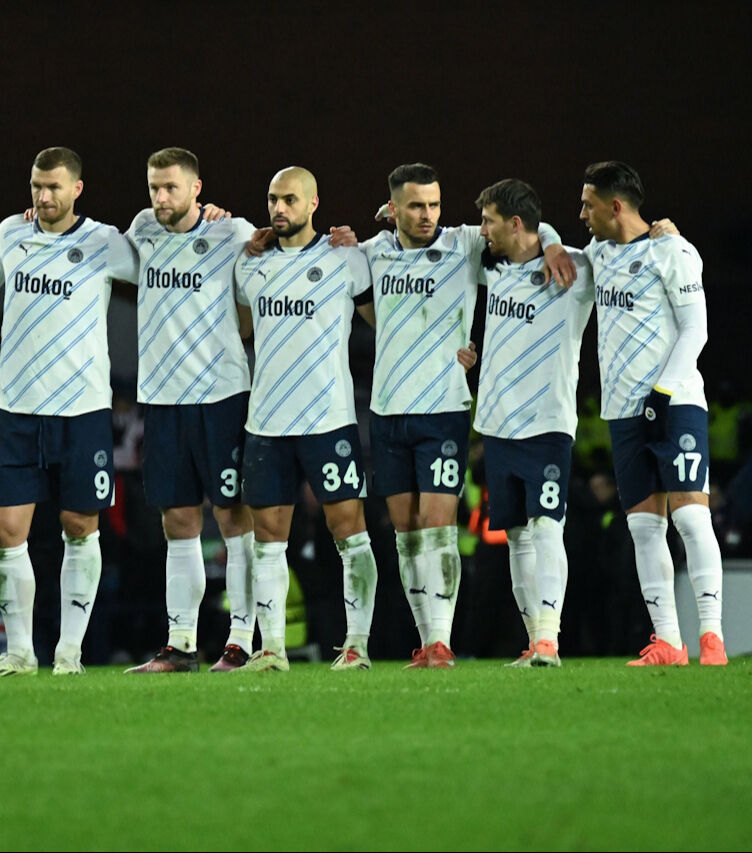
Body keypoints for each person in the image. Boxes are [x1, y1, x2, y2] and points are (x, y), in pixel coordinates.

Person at [362, 163, 572, 668]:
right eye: (415, 206)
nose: (428, 215)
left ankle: (441, 640)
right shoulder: (369, 253)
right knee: (406, 535)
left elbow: (524, 228)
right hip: (387, 410)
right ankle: (425, 637)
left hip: (445, 408)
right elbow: (354, 297)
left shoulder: (465, 244)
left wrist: (553, 243)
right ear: (393, 209)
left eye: (434, 204)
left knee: (439, 527)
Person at [0, 147, 137, 675]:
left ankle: (70, 653)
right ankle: (18, 653)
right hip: (16, 410)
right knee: (6, 534)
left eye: (54, 186)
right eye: (36, 185)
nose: (43, 195)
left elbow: (160, 267)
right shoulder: (11, 231)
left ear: (77, 188)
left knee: (80, 526)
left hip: (82, 412)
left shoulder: (103, 242)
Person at [579, 161, 726, 666]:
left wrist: (662, 394)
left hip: (675, 403)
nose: (583, 214)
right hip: (622, 413)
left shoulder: (674, 251)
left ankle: (712, 637)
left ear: (614, 206)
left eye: (588, 205)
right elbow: (548, 249)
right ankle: (668, 640)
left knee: (690, 518)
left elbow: (696, 330)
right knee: (644, 529)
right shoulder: (598, 255)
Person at [231, 167, 378, 671]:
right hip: (266, 423)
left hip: (328, 419)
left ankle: (355, 645)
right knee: (267, 540)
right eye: (273, 198)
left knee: (350, 533)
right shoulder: (249, 265)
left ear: (314, 203)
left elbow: (384, 320)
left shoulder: (345, 259)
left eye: (290, 199)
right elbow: (236, 330)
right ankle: (271, 649)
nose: (279, 208)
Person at [119, 148, 258, 673]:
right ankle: (180, 645)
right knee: (178, 519)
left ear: (197, 188)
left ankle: (240, 642)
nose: (160, 198)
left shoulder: (232, 232)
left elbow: (278, 254)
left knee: (232, 517)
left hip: (220, 396)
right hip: (162, 398)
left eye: (171, 188)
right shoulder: (143, 229)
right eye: (154, 187)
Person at [473, 179, 595, 668]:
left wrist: (553, 242)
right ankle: (534, 641)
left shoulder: (575, 272)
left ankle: (549, 637)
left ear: (515, 223)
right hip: (497, 426)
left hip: (547, 426)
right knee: (518, 536)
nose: (482, 230)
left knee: (547, 529)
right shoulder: (493, 268)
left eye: (489, 221)